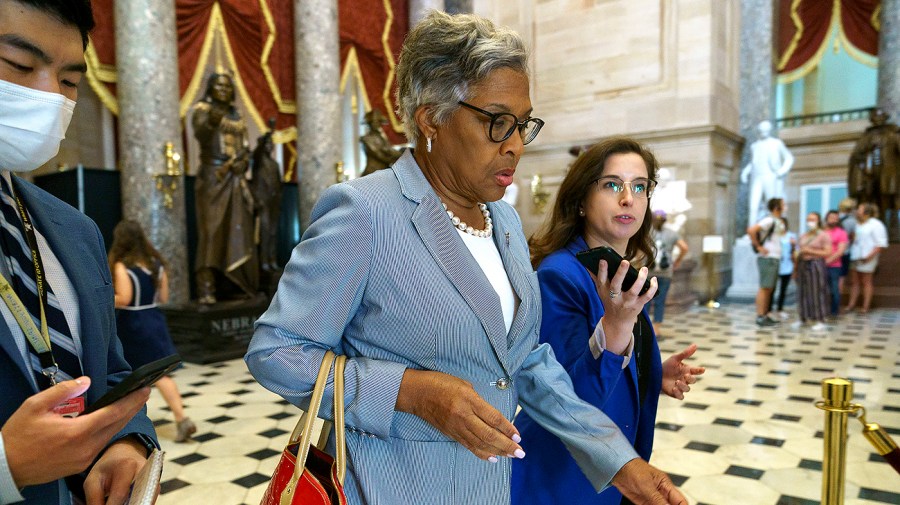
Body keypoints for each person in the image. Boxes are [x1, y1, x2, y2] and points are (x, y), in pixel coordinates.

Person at [245, 12, 686, 505]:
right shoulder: (365, 212)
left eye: (523, 125)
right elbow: (277, 350)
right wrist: (412, 392)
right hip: (391, 486)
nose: (516, 145)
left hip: (491, 489)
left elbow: (528, 365)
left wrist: (618, 460)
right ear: (431, 116)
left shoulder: (506, 223)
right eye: (497, 122)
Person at [0, 1, 157, 503]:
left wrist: (125, 440)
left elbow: (107, 370)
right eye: (20, 66)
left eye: (69, 81)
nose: (47, 95)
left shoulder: (75, 229)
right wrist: (6, 466)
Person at [511, 138, 705, 505]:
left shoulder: (614, 268)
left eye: (639, 186)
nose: (628, 198)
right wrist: (616, 330)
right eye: (612, 185)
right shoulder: (561, 275)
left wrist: (648, 372)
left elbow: (609, 361)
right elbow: (567, 400)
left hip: (607, 470)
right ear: (581, 200)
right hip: (563, 477)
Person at [108, 220, 196, 443]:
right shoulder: (155, 263)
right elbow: (164, 297)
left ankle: (127, 425)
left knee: (127, 376)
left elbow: (125, 298)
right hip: (154, 319)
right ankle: (182, 418)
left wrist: (104, 298)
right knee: (161, 373)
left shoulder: (121, 266)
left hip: (133, 323)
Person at [191, 73, 259, 304]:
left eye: (227, 86)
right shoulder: (203, 109)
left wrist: (243, 162)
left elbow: (245, 147)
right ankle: (206, 288)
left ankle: (235, 284)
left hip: (236, 179)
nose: (223, 89)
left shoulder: (236, 115)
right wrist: (211, 121)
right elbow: (200, 133)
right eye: (218, 85)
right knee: (212, 233)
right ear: (210, 88)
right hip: (213, 178)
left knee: (238, 233)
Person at [848, 107, 899, 239]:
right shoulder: (867, 136)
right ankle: (876, 227)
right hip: (869, 174)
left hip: (887, 174)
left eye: (879, 116)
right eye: (874, 117)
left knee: (887, 200)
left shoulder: (893, 134)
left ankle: (890, 228)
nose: (876, 120)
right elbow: (857, 155)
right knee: (871, 200)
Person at [741, 120, 794, 226]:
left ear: (769, 130)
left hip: (770, 176)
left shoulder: (776, 143)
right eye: (761, 130)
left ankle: (773, 229)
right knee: (753, 206)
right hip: (757, 177)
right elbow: (753, 162)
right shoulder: (754, 146)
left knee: (771, 205)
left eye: (765, 130)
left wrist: (781, 171)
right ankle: (751, 231)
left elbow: (789, 158)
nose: (763, 132)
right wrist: (745, 172)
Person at [648, 209, 689, 337]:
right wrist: (677, 261)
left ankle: (644, 327)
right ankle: (656, 329)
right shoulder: (672, 233)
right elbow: (684, 248)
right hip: (665, 272)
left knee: (645, 301)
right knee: (660, 301)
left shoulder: (646, 233)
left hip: (649, 271)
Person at [747, 197, 787, 327]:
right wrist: (758, 246)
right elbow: (752, 230)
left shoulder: (777, 221)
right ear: (777, 207)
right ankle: (760, 315)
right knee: (764, 287)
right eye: (783, 204)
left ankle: (766, 313)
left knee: (770, 288)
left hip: (774, 257)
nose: (785, 206)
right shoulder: (769, 219)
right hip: (767, 257)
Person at [250, 124, 283, 275]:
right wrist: (268, 133)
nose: (270, 147)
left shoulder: (275, 165)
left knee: (272, 233)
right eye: (267, 144)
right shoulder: (258, 162)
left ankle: (272, 260)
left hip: (274, 203)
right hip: (262, 202)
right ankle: (263, 262)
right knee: (264, 233)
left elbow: (279, 184)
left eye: (272, 144)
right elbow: (256, 152)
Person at [846, 203, 888, 313]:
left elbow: (881, 244)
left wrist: (869, 257)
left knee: (866, 282)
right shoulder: (858, 224)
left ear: (866, 212)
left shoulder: (876, 224)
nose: (856, 211)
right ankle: (851, 304)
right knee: (854, 281)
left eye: (859, 209)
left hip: (868, 257)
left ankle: (865, 307)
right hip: (855, 256)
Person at [793, 213, 832, 331]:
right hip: (802, 263)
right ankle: (803, 317)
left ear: (818, 221)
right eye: (808, 219)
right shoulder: (804, 235)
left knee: (817, 291)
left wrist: (810, 251)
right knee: (802, 291)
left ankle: (820, 319)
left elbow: (827, 252)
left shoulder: (823, 235)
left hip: (815, 264)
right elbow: (799, 250)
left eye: (813, 219)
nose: (810, 221)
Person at [359, 108, 402, 176]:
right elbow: (381, 156)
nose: (375, 124)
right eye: (373, 122)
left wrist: (402, 154)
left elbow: (389, 150)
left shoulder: (382, 138)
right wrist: (402, 157)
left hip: (382, 173)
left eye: (378, 121)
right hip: (372, 173)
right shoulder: (367, 139)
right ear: (369, 123)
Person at [823, 210, 849, 317]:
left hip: (834, 266)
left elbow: (840, 251)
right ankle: (822, 310)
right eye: (831, 217)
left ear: (838, 220)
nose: (833, 219)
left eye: (835, 218)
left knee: (834, 290)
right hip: (819, 265)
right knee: (821, 289)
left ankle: (834, 311)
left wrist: (828, 261)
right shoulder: (821, 231)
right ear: (826, 218)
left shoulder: (841, 233)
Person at [768, 218, 795, 320]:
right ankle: (769, 309)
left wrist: (793, 245)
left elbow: (793, 252)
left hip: (787, 265)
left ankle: (780, 308)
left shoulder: (790, 236)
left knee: (783, 289)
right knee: (772, 288)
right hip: (775, 264)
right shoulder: (774, 236)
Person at [837, 198, 858, 295]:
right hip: (845, 251)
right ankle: (838, 300)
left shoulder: (837, 218)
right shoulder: (852, 221)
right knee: (841, 277)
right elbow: (853, 237)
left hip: (834, 250)